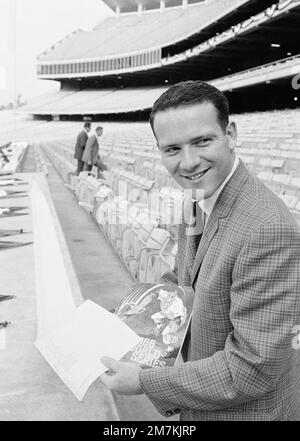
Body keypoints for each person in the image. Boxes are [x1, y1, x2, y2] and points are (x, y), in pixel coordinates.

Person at [100, 81, 300, 421]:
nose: (189, 163)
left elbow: (252, 367)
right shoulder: (198, 195)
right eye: (172, 149)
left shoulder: (267, 229)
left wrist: (144, 381)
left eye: (202, 141)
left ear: (231, 135)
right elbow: (184, 277)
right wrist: (128, 314)